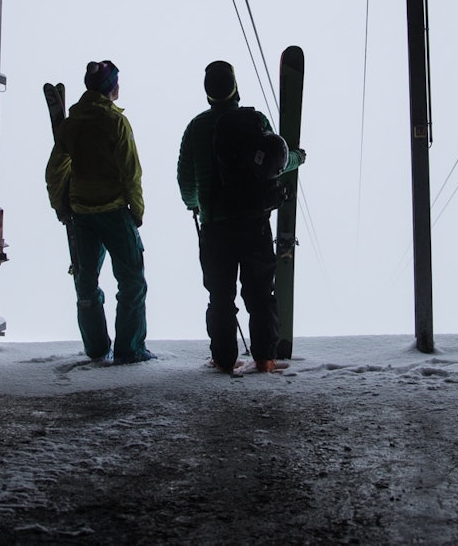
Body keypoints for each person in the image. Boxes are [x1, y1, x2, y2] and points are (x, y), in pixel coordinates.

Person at [177, 60, 305, 372]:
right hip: (253, 223)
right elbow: (275, 161)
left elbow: (186, 182)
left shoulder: (195, 128)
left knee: (220, 296)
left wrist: (196, 205)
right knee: (260, 293)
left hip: (214, 227)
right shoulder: (255, 120)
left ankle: (223, 360)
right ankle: (265, 359)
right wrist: (298, 157)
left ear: (208, 93)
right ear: (235, 88)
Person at [46, 60, 154, 364]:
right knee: (132, 281)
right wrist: (137, 210)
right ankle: (130, 349)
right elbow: (131, 172)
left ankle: (95, 348)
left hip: (81, 214)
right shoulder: (115, 122)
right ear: (111, 88)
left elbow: (55, 171)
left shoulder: (71, 124)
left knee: (86, 282)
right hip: (115, 212)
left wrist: (60, 205)